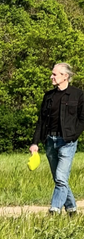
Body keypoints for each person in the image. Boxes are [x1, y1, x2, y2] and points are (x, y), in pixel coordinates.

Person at [30, 63, 83, 215]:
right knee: (59, 179)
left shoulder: (78, 95)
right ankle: (72, 208)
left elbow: (82, 119)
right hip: (50, 141)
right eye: (52, 74)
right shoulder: (48, 96)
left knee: (60, 177)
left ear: (65, 76)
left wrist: (73, 136)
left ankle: (55, 210)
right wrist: (35, 142)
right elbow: (41, 121)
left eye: (55, 74)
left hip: (67, 142)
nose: (51, 77)